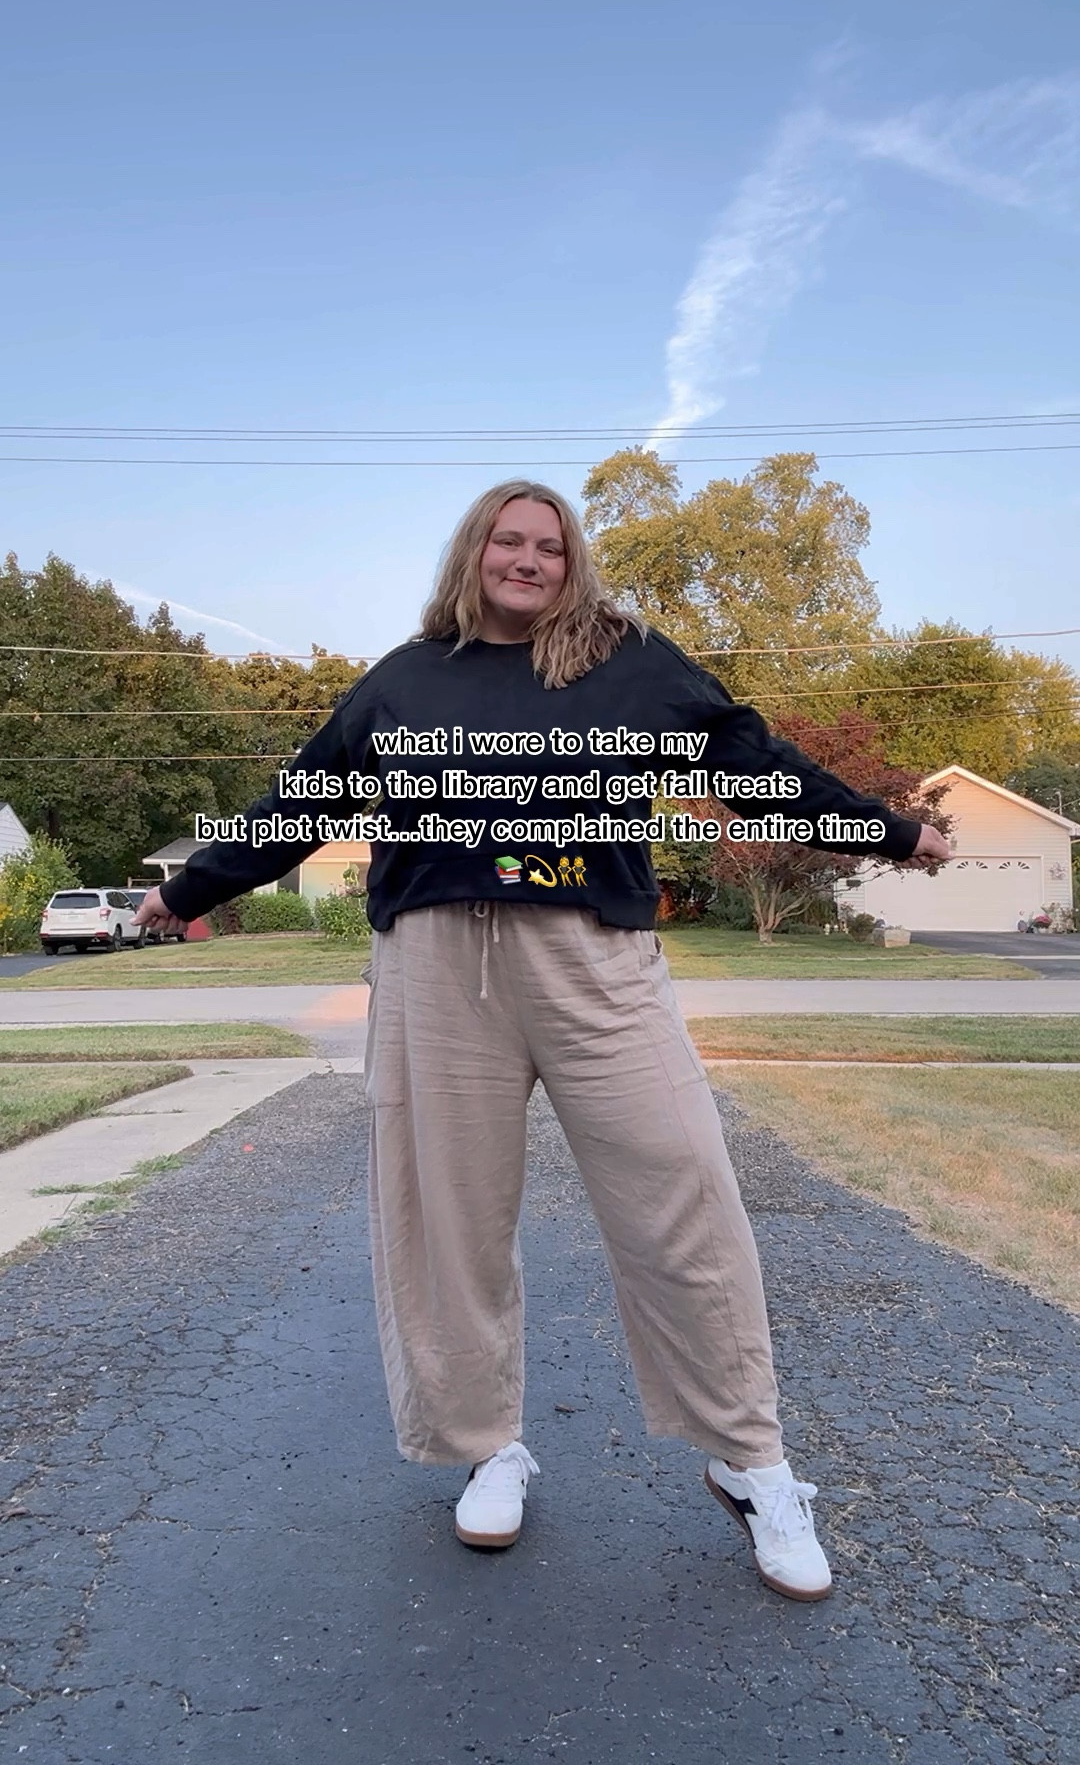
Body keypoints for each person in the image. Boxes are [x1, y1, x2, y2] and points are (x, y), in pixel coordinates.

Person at [136, 480, 950, 1602]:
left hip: (593, 958)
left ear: (573, 565)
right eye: (508, 541)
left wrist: (889, 831)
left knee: (683, 1187)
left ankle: (751, 1461)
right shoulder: (405, 681)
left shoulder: (630, 665)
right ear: (473, 552)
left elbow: (756, 768)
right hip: (435, 966)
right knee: (451, 1218)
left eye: (550, 548)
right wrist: (187, 889)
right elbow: (301, 805)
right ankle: (488, 1448)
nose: (528, 560)